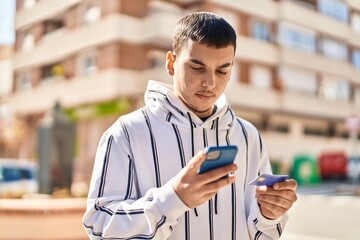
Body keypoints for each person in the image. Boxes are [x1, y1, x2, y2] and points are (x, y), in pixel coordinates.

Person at [83, 11, 297, 239]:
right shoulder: (125, 133)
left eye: (222, 70)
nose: (210, 82)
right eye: (197, 67)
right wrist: (172, 198)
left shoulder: (248, 135)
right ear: (171, 63)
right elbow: (98, 226)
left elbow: (264, 232)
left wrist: (269, 214)